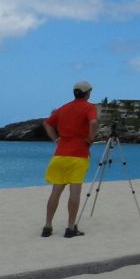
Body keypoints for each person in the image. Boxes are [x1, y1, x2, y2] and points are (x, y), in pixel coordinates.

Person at [41, 80, 98, 238]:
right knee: (74, 192)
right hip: (78, 155)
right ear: (87, 93)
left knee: (56, 191)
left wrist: (56, 140)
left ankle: (47, 226)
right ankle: (70, 227)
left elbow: (47, 123)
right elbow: (93, 122)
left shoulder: (64, 108)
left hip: (59, 155)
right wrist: (90, 139)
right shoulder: (89, 107)